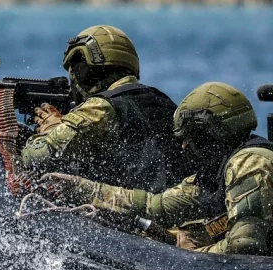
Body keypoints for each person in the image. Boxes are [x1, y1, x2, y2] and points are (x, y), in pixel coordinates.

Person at [39, 82, 273, 256]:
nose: (183, 147)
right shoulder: (214, 173)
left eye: (190, 137)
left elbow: (245, 245)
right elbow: (154, 205)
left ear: (210, 133)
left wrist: (187, 253)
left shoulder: (250, 163)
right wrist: (85, 190)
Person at [9, 25, 182, 196]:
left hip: (129, 215)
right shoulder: (162, 100)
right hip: (167, 207)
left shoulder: (101, 107)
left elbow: (35, 157)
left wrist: (50, 129)